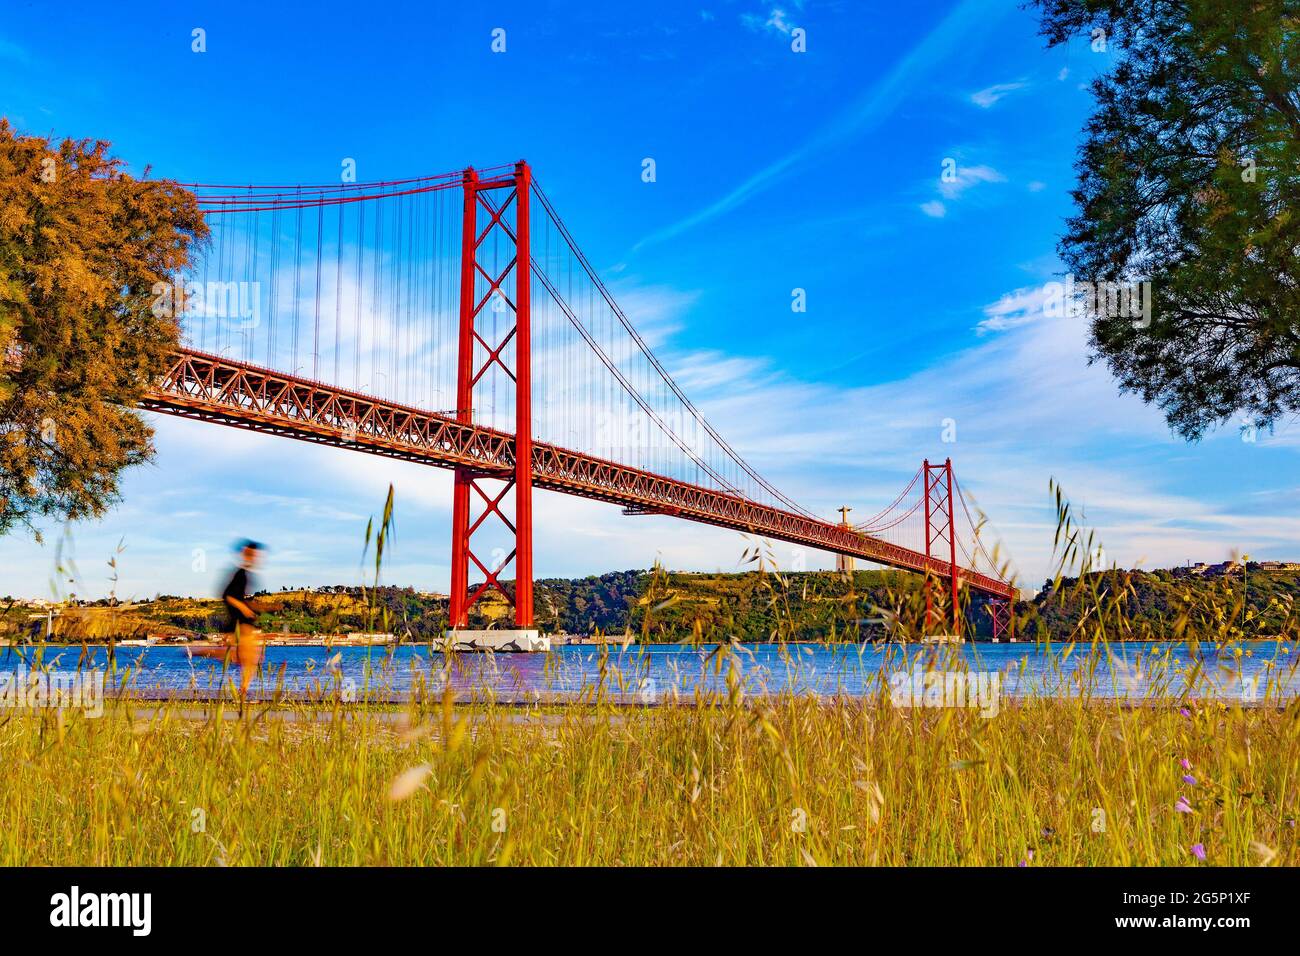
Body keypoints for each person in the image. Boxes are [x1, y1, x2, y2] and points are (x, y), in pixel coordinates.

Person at [204, 539, 268, 701]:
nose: (256, 559)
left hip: (244, 622)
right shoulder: (240, 574)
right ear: (247, 555)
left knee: (247, 659)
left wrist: (261, 607)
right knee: (248, 660)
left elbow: (236, 597)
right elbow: (227, 595)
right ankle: (198, 651)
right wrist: (245, 608)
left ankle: (242, 694)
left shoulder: (245, 574)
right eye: (254, 555)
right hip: (241, 623)